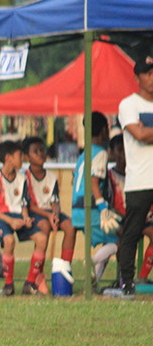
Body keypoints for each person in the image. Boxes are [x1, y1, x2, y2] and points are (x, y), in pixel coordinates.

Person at [0, 140, 47, 296]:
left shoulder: (22, 178)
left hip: (17, 216)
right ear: (8, 158)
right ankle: (8, 286)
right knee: (9, 241)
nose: (22, 159)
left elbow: (24, 205)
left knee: (42, 239)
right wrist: (10, 221)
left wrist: (25, 218)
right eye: (19, 155)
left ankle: (30, 283)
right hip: (0, 216)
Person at [116, 54, 153, 298]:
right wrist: (144, 132)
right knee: (132, 232)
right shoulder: (128, 104)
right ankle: (127, 281)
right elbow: (138, 135)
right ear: (137, 77)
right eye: (148, 74)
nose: (152, 78)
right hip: (140, 180)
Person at [71, 111, 119, 287]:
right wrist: (103, 209)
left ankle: (93, 283)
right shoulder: (100, 153)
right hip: (90, 210)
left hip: (77, 210)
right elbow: (93, 182)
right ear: (105, 130)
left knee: (109, 242)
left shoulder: (83, 154)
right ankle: (91, 261)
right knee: (121, 240)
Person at [23, 136, 75, 293]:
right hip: (35, 213)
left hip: (50, 213)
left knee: (71, 226)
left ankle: (63, 270)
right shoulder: (25, 177)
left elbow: (55, 201)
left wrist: (55, 214)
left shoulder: (52, 176)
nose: (40, 154)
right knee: (44, 227)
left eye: (42, 150)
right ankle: (38, 276)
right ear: (27, 157)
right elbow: (29, 205)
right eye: (35, 151)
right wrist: (48, 216)